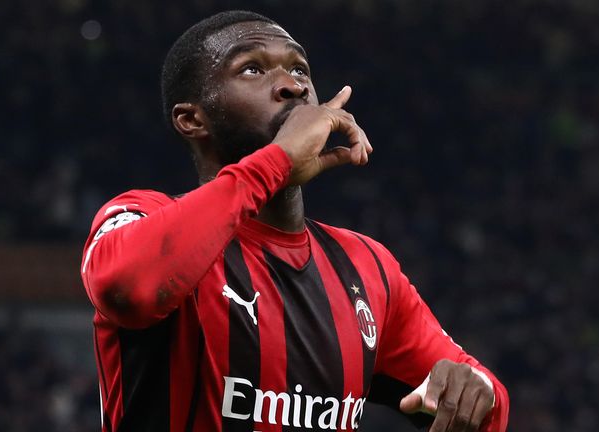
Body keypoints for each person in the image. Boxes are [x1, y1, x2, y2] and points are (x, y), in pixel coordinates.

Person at [80, 10, 508, 432]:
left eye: (300, 68)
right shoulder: (140, 217)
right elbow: (128, 288)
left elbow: (486, 405)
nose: (293, 85)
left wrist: (478, 390)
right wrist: (278, 161)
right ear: (192, 119)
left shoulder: (366, 266)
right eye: (251, 69)